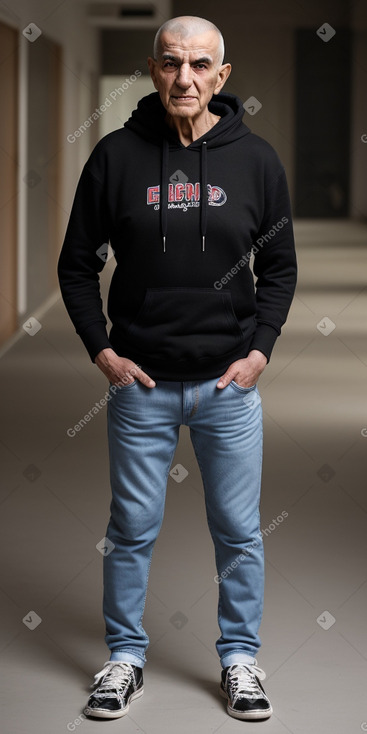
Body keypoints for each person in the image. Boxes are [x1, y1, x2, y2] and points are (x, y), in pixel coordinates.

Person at [58, 15, 297, 722]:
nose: (183, 78)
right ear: (153, 70)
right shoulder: (114, 157)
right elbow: (76, 266)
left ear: (221, 77)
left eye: (198, 65)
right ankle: (124, 657)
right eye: (169, 63)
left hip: (228, 386)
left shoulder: (256, 161)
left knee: (239, 531)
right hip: (142, 387)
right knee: (131, 527)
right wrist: (102, 351)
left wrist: (259, 352)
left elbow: (279, 267)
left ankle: (239, 660)